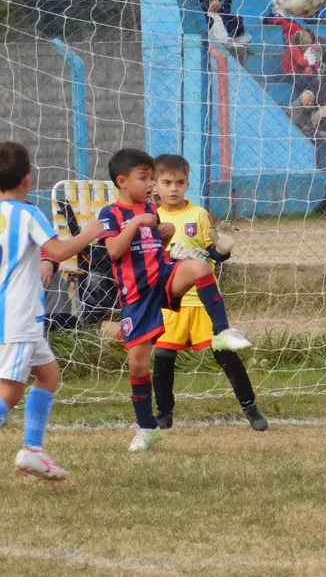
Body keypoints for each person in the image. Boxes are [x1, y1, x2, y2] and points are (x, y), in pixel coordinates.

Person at [98, 148, 251, 452]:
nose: (151, 185)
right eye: (145, 179)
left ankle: (221, 332)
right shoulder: (110, 214)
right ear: (122, 181)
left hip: (162, 278)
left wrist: (165, 236)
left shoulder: (151, 212)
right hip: (137, 296)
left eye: (152, 178)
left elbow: (155, 249)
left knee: (199, 267)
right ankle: (147, 428)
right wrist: (136, 223)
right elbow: (114, 251)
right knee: (138, 366)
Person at [0, 142, 103, 480]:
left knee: (48, 375)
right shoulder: (27, 213)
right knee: (10, 390)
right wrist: (88, 233)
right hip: (17, 317)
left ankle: (32, 449)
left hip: (20, 316)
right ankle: (31, 450)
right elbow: (58, 250)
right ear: (28, 179)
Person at [151, 155, 267, 432]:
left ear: (187, 184)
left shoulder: (199, 215)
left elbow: (213, 253)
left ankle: (251, 409)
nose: (173, 188)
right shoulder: (151, 218)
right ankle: (164, 413)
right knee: (164, 358)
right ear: (156, 184)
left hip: (203, 302)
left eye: (179, 183)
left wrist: (223, 250)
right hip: (171, 303)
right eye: (167, 182)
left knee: (226, 355)